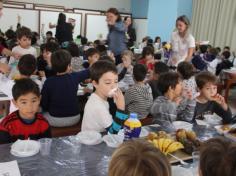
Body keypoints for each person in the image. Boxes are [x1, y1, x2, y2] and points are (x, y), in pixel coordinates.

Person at [41, 49, 90, 127]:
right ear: (68, 66)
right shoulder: (75, 77)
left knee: (40, 112)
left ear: (52, 66)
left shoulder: (49, 82)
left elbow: (44, 104)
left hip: (55, 120)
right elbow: (89, 71)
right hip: (75, 118)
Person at [81, 60, 128, 134]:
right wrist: (121, 108)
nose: (113, 86)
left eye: (116, 81)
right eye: (108, 82)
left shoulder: (98, 97)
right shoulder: (97, 106)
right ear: (95, 83)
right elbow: (114, 132)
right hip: (92, 143)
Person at [0, 78, 51, 144]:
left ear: (39, 100)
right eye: (24, 102)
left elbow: (46, 144)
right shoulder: (6, 125)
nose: (29, 107)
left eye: (33, 101)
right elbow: (3, 150)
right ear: (15, 103)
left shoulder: (43, 123)